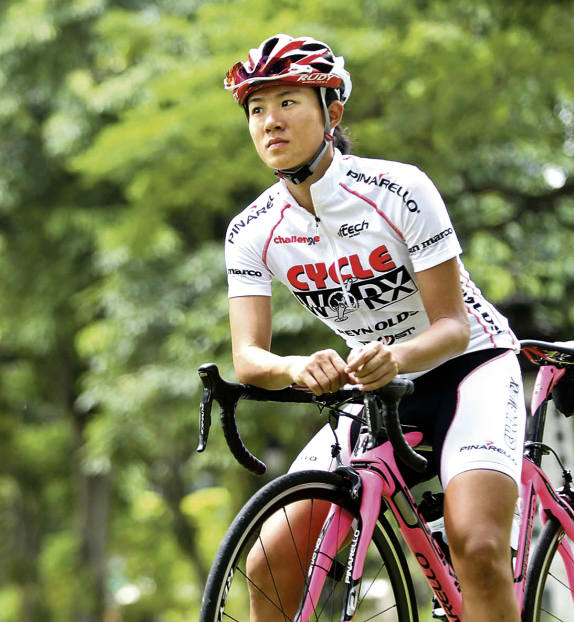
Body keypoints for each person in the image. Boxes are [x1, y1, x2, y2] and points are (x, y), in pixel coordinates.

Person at [223, 34, 524, 622]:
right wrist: (295, 367)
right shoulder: (251, 229)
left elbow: (453, 327)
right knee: (266, 563)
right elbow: (248, 356)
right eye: (257, 110)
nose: (269, 121)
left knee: (478, 547)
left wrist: (398, 357)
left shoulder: (399, 189)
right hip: (371, 385)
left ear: (331, 112)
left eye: (288, 102)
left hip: (471, 367)